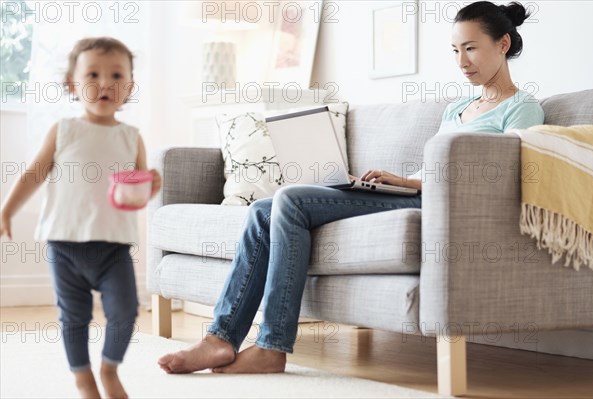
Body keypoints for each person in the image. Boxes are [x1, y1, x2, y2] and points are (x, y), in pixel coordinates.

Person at [158, 1, 544, 375]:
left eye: (471, 49)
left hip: (438, 205)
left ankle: (272, 346)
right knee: (263, 208)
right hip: (413, 192)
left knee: (290, 199)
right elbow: (437, 166)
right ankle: (221, 337)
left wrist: (410, 182)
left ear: (503, 45)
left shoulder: (522, 109)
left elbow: (497, 175)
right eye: (455, 50)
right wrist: (396, 179)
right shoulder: (456, 109)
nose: (462, 62)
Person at [0, 37, 161, 398]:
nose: (105, 83)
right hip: (65, 243)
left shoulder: (131, 138)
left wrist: (151, 185)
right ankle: (81, 375)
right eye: (92, 74)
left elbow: (136, 189)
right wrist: (6, 209)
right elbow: (33, 174)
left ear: (130, 87)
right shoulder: (64, 130)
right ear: (72, 84)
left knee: (125, 311)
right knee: (74, 316)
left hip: (113, 247)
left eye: (116, 75)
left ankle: (109, 367)